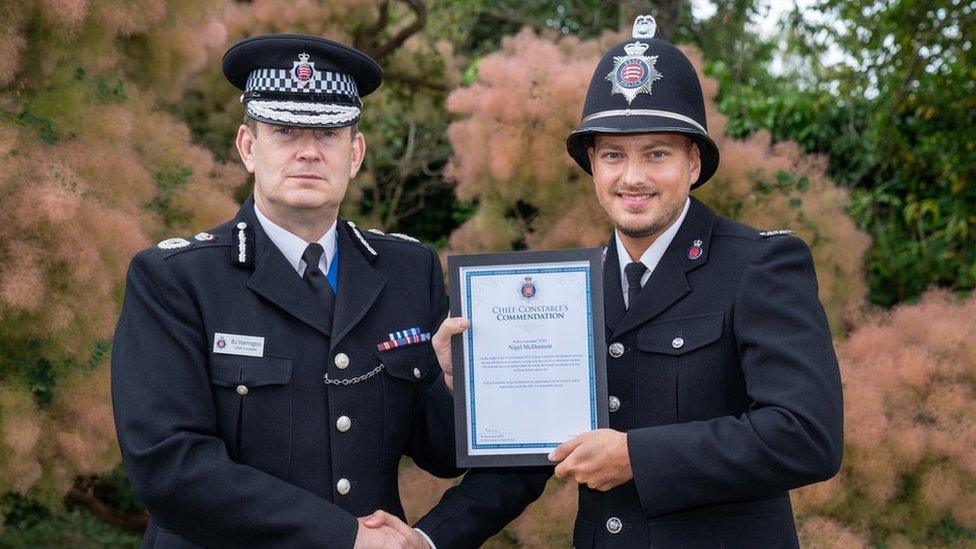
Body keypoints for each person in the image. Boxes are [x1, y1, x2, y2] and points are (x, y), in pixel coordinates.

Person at [422, 16, 844, 548]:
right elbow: (527, 458)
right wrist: (427, 538)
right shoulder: (568, 290)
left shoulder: (758, 266)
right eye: (614, 155)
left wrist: (636, 457)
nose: (633, 177)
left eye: (657, 153)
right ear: (592, 167)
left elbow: (807, 436)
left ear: (694, 162)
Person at [111, 34, 473, 548]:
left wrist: (456, 388)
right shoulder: (175, 279)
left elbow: (439, 453)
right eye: (284, 130)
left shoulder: (407, 270)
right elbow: (171, 468)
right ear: (248, 147)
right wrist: (343, 536)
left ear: (355, 153)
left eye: (327, 134)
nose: (307, 152)